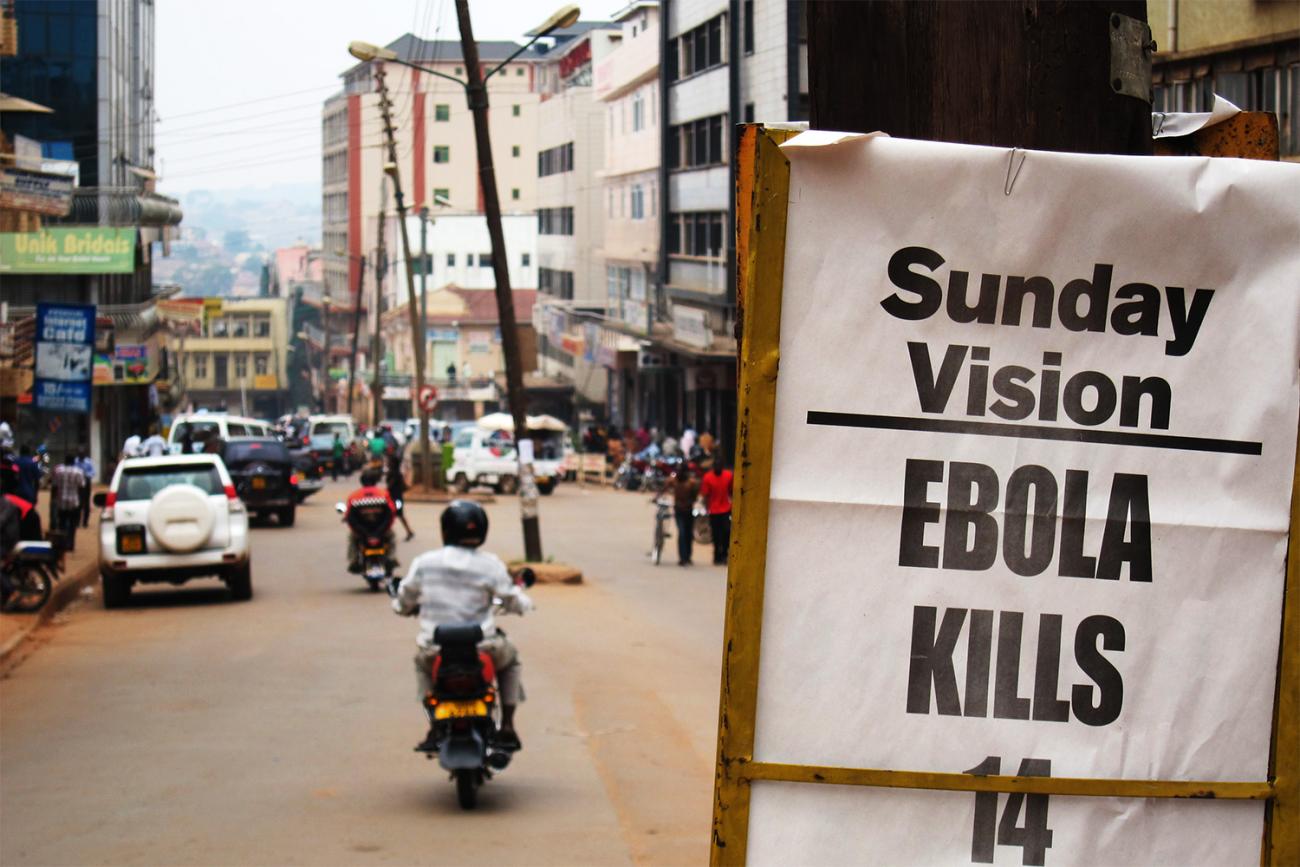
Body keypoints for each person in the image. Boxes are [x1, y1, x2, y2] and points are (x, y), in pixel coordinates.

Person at [393, 500, 533, 753]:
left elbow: (405, 598)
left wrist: (401, 607)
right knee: (511, 661)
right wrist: (524, 604)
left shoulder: (424, 563)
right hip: (483, 648)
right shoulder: (490, 564)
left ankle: (435, 725)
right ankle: (509, 725)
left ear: (445, 530)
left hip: (436, 649)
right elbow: (512, 599)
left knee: (421, 664)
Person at [344, 468, 398, 573]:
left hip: (362, 531)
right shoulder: (383, 494)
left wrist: (362, 531)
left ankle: (354, 560)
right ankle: (391, 558)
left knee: (352, 539)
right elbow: (390, 513)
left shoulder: (355, 496)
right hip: (381, 530)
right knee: (392, 537)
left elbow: (350, 517)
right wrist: (380, 530)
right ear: (375, 481)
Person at [698, 459, 734, 565]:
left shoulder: (728, 476)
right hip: (713, 510)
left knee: (726, 532)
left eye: (720, 465)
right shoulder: (708, 477)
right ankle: (716, 556)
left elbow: (731, 490)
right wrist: (706, 508)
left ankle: (724, 553)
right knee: (716, 534)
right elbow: (705, 494)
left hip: (726, 508)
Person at [50, 454, 85, 551]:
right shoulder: (78, 472)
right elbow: (81, 488)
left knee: (62, 524)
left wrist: (53, 500)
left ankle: (62, 544)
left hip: (61, 502)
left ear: (64, 461)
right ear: (74, 462)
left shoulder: (59, 471)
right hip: (74, 502)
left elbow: (54, 487)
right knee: (73, 525)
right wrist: (81, 502)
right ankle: (71, 545)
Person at [670, 466, 700, 566]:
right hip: (680, 511)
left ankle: (687, 556)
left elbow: (695, 494)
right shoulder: (676, 482)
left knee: (687, 533)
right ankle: (683, 557)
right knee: (683, 533)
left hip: (687, 510)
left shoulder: (690, 484)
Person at [387, 449, 414, 541]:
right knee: (396, 515)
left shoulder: (394, 474)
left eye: (389, 462)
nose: (388, 463)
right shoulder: (397, 474)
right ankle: (408, 531)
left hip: (395, 498)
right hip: (396, 498)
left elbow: (390, 486)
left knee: (395, 515)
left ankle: (408, 531)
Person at [76, 451, 95, 528]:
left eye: (82, 455)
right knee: (78, 503)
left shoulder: (88, 461)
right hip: (77, 484)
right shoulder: (75, 461)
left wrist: (86, 475)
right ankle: (77, 522)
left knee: (86, 502)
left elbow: (93, 471)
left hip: (86, 482)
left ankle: (85, 522)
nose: (81, 456)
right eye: (80, 455)